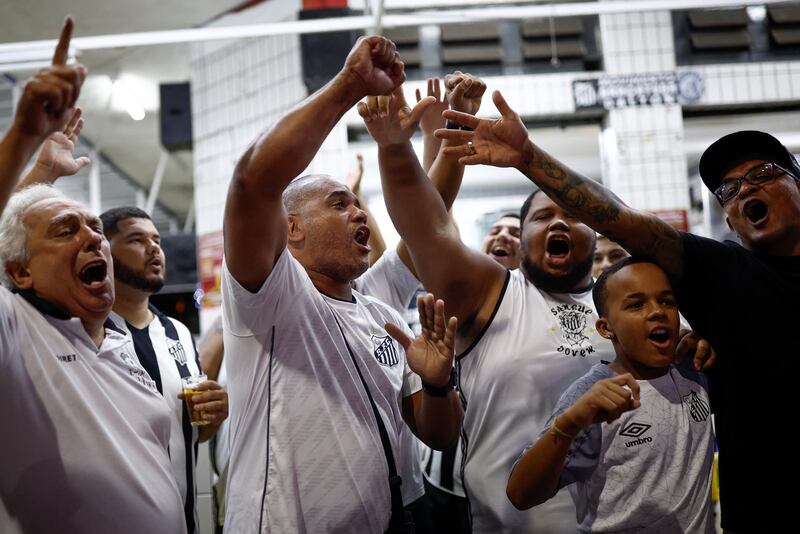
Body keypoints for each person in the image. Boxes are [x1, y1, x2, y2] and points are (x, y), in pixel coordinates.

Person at [362, 80, 714, 533]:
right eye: (543, 217)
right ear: (522, 235)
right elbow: (425, 227)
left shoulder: (635, 303)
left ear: (596, 233)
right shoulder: (493, 290)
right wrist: (396, 150)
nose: (559, 224)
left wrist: (699, 341)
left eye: (572, 216)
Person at [437, 90, 796, 532]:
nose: (746, 190)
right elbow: (620, 219)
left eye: (762, 173)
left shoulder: (691, 371)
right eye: (729, 190)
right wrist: (529, 158)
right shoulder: (724, 273)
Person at [221, 35, 463, 533]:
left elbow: (424, 229)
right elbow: (252, 182)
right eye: (338, 203)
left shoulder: (381, 313)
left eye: (356, 203)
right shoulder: (271, 298)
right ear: (291, 228)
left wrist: (439, 385)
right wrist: (349, 85)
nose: (357, 212)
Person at [0, 17, 184, 533]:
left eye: (92, 227)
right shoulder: (16, 333)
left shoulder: (121, 338)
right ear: (20, 273)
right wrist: (23, 139)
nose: (92, 237)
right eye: (67, 231)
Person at [507, 258, 714, 533]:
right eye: (636, 305)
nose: (657, 312)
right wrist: (569, 424)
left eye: (667, 301)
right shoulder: (593, 396)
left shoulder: (694, 370)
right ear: (606, 328)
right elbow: (521, 494)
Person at [101, 206, 229, 534]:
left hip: (184, 522)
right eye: (136, 239)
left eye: (156, 239)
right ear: (104, 250)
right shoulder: (89, 334)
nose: (154, 247)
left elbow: (193, 431)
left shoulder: (178, 333)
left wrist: (212, 418)